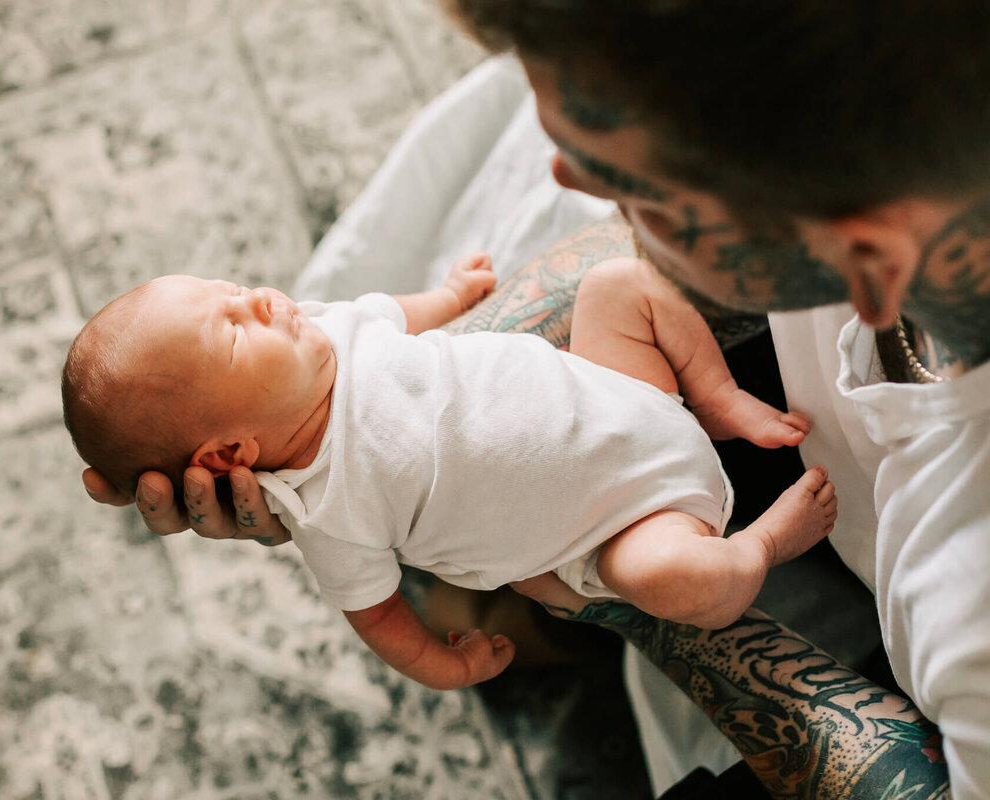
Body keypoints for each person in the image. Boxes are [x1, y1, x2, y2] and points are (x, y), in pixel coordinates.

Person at [82, 3, 990, 797]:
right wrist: (316, 460)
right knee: (605, 290)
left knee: (633, 582)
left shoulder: (972, 610)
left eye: (639, 191)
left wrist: (610, 589)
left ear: (865, 264)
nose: (566, 178)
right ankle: (706, 419)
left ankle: (709, 563)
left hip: (652, 532)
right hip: (634, 407)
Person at [63, 253, 834, 691]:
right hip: (631, 523)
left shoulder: (329, 329)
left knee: (616, 283)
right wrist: (442, 664)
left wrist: (454, 295)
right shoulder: (324, 506)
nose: (263, 299)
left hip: (627, 386)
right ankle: (764, 543)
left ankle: (722, 396)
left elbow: (398, 309)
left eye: (234, 291)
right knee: (676, 585)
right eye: (235, 328)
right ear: (227, 457)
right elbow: (376, 613)